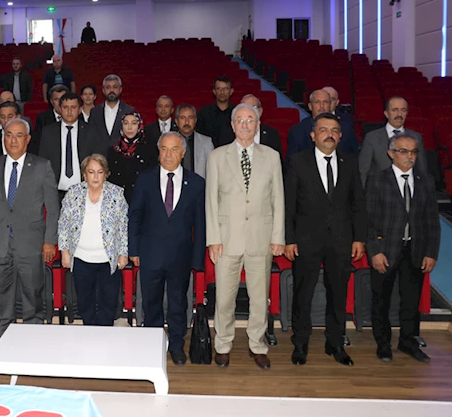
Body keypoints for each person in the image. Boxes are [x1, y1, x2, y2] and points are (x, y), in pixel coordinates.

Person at [284, 113, 367, 366]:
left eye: (334, 130)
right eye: (323, 130)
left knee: (338, 294)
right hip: (306, 240)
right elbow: (289, 205)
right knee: (303, 294)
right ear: (313, 135)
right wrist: (289, 239)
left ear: (340, 136)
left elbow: (358, 203)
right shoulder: (297, 161)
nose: (329, 134)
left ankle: (335, 343)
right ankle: (301, 343)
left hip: (341, 240)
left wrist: (359, 238)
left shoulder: (350, 162)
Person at [206, 104, 284, 370]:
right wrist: (213, 239)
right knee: (224, 299)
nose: (245, 124)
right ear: (232, 125)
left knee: (259, 298)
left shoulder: (271, 156)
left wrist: (278, 236)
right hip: (226, 239)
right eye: (240, 120)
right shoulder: (217, 156)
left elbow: (278, 198)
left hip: (261, 237)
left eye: (250, 120)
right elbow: (211, 201)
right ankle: (223, 344)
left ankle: (257, 345)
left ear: (258, 124)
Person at [128, 131, 206, 366]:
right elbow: (135, 216)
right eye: (164, 149)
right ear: (158, 151)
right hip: (150, 253)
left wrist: (197, 258)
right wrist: (133, 250)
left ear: (183, 153)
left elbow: (200, 223)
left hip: (181, 255)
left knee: (178, 303)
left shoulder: (196, 183)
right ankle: (153, 345)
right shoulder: (145, 179)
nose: (169, 154)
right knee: (150, 302)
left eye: (174, 149)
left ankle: (176, 345)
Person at [0, 118, 60, 336]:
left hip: (31, 243)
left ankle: (32, 339)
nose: (13, 140)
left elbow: (53, 209)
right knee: (3, 296)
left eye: (19, 135)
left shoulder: (42, 166)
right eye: (8, 135)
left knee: (33, 295)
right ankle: (6, 336)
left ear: (28, 139)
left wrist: (50, 241)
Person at [366, 132, 439, 363]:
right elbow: (367, 219)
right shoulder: (377, 179)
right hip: (385, 250)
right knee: (381, 300)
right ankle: (383, 344)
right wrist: (374, 251)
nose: (410, 156)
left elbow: (432, 220)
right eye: (404, 151)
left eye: (414, 151)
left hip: (415, 250)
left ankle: (408, 342)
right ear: (391, 153)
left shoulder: (425, 180)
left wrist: (431, 252)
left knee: (411, 302)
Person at [58, 154, 127, 325]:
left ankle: (105, 335)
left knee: (108, 304)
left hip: (108, 260)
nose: (96, 176)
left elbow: (123, 225)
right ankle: (89, 334)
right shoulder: (73, 193)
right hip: (81, 258)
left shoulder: (116, 194)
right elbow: (63, 223)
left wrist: (123, 253)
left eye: (100, 172)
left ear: (106, 174)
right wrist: (65, 252)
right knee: (85, 303)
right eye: (91, 172)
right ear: (84, 174)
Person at [38, 92, 102, 199]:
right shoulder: (48, 132)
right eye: (65, 107)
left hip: (84, 190)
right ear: (60, 109)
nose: (69, 111)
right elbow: (42, 161)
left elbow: (98, 160)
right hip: (55, 192)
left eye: (73, 107)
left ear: (79, 109)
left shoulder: (91, 131)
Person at [359, 96, 427, 187]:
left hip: (408, 189)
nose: (399, 114)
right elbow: (363, 170)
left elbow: (422, 170)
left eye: (403, 110)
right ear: (386, 114)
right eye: (394, 110)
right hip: (380, 190)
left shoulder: (416, 137)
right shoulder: (372, 138)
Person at [287, 89, 358, 159]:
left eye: (325, 102)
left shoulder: (346, 129)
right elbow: (292, 161)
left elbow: (354, 157)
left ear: (330, 105)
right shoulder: (297, 131)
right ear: (310, 106)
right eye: (317, 102)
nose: (321, 106)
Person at [107, 112, 157, 204]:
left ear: (139, 125)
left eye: (133, 123)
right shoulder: (113, 150)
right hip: (118, 200)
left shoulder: (149, 149)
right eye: (126, 123)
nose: (129, 128)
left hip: (142, 199)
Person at [215, 94, 282, 154]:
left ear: (260, 111)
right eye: (244, 107)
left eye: (253, 107)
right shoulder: (226, 134)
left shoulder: (272, 134)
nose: (248, 111)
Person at [88, 74, 135, 147]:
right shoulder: (95, 112)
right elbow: (90, 136)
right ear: (103, 90)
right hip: (99, 153)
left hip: (122, 152)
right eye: (108, 87)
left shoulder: (129, 110)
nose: (111, 90)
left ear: (120, 89)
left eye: (115, 87)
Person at [174, 104, 213, 178]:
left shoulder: (206, 142)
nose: (187, 122)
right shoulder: (169, 142)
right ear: (176, 121)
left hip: (199, 184)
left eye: (190, 117)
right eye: (182, 118)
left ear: (195, 120)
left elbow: (212, 170)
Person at [30, 84, 69, 155]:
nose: (60, 103)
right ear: (51, 101)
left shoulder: (77, 116)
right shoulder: (42, 118)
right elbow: (38, 143)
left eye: (63, 99)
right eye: (56, 99)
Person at [197, 77, 236, 147]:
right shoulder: (204, 112)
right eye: (219, 88)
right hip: (209, 151)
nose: (222, 92)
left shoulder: (237, 112)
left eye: (226, 88)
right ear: (214, 91)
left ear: (231, 91)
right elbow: (199, 136)